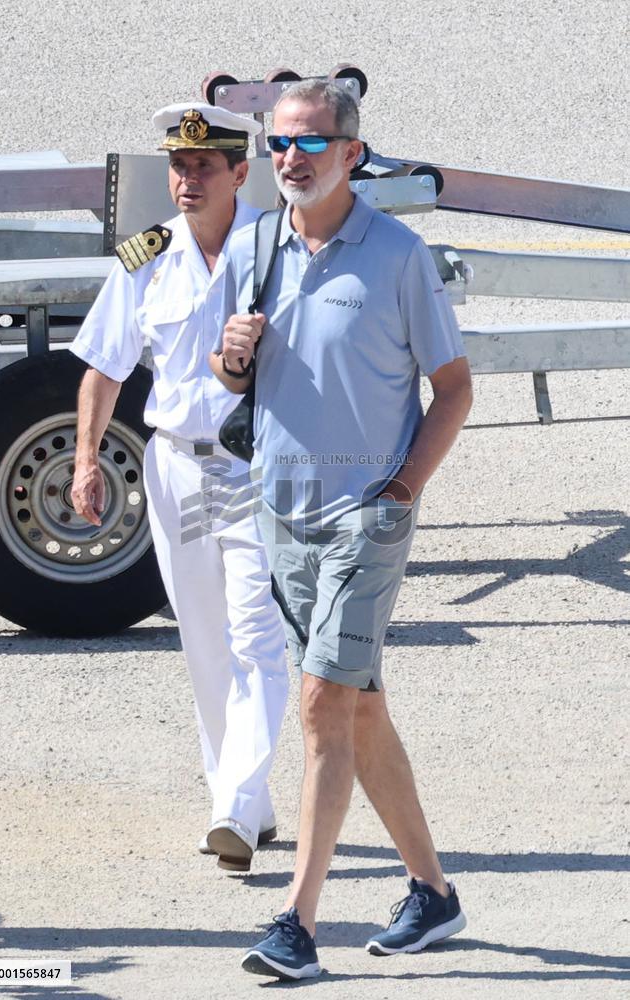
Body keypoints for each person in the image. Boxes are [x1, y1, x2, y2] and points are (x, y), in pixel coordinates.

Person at [211, 80, 473, 979]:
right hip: (280, 511)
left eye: (311, 144)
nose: (292, 159)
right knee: (359, 708)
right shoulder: (254, 245)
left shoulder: (399, 254)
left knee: (322, 703)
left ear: (351, 154)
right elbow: (230, 375)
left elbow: (456, 388)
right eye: (280, 144)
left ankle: (298, 924)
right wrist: (232, 357)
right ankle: (433, 894)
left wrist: (402, 489)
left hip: (367, 515)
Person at [70, 102, 289, 873]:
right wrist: (88, 459)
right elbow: (104, 365)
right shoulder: (145, 258)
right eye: (178, 165)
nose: (187, 178)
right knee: (203, 641)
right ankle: (247, 806)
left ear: (240, 171)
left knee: (257, 635)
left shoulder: (280, 245)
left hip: (256, 465)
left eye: (204, 166)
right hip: (173, 466)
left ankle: (232, 805)